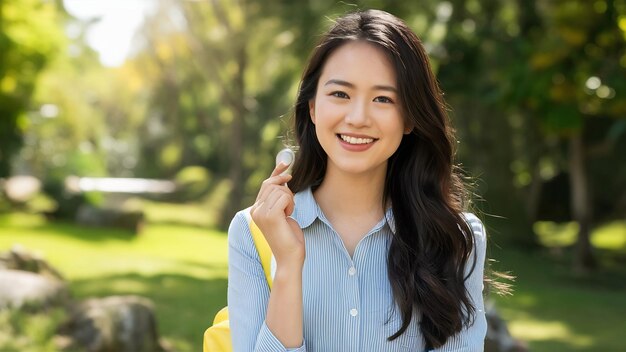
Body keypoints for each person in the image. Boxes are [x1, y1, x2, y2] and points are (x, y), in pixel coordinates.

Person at [227, 9, 487, 352]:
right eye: (340, 94)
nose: (358, 118)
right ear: (313, 107)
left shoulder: (453, 236)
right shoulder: (252, 233)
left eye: (383, 99)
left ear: (410, 117)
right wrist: (288, 267)